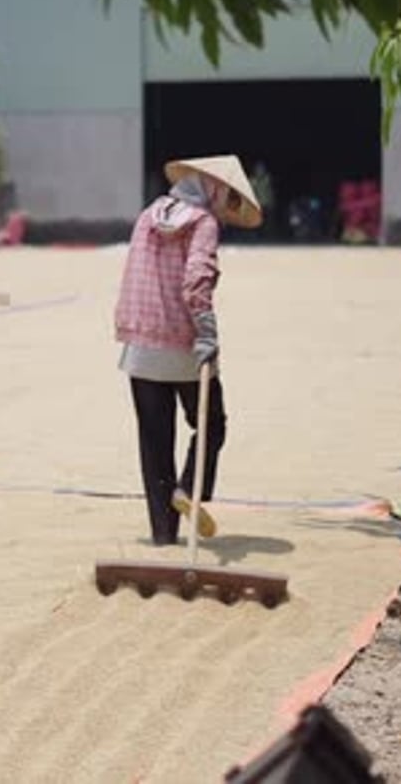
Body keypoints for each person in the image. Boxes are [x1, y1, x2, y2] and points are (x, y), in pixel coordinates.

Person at [115, 155, 262, 545]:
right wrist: (207, 332)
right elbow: (197, 277)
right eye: (228, 199)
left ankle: (163, 535)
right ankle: (187, 490)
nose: (227, 209)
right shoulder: (203, 223)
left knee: (154, 440)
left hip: (141, 345)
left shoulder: (148, 215)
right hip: (184, 345)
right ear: (212, 189)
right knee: (212, 424)